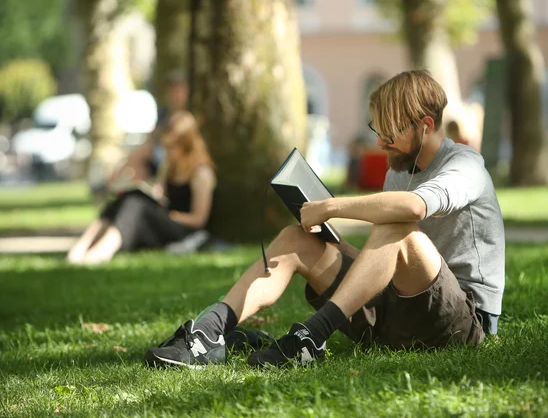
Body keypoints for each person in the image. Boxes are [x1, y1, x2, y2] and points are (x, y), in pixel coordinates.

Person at [144, 70, 505, 368]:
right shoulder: (400, 170)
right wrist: (328, 240)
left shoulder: (465, 165)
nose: (380, 142)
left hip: (462, 321)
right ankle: (209, 333)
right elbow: (384, 259)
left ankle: (311, 337)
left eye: (389, 132)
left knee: (398, 225)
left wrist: (330, 207)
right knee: (297, 239)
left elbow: (412, 211)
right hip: (396, 312)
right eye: (377, 129)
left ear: (425, 125)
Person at [67, 111, 217, 265]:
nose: (169, 152)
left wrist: (171, 215)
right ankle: (81, 247)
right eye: (166, 147)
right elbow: (161, 195)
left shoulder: (201, 173)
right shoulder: (169, 167)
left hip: (184, 231)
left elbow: (199, 220)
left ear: (186, 145)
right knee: (126, 199)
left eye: (173, 147)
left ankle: (101, 252)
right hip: (164, 222)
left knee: (136, 205)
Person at [109, 70, 189, 185]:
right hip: (161, 155)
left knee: (145, 151)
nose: (174, 95)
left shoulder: (189, 115)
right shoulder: (164, 114)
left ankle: (112, 181)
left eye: (178, 90)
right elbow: (153, 137)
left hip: (177, 157)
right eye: (172, 90)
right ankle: (126, 192)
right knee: (139, 168)